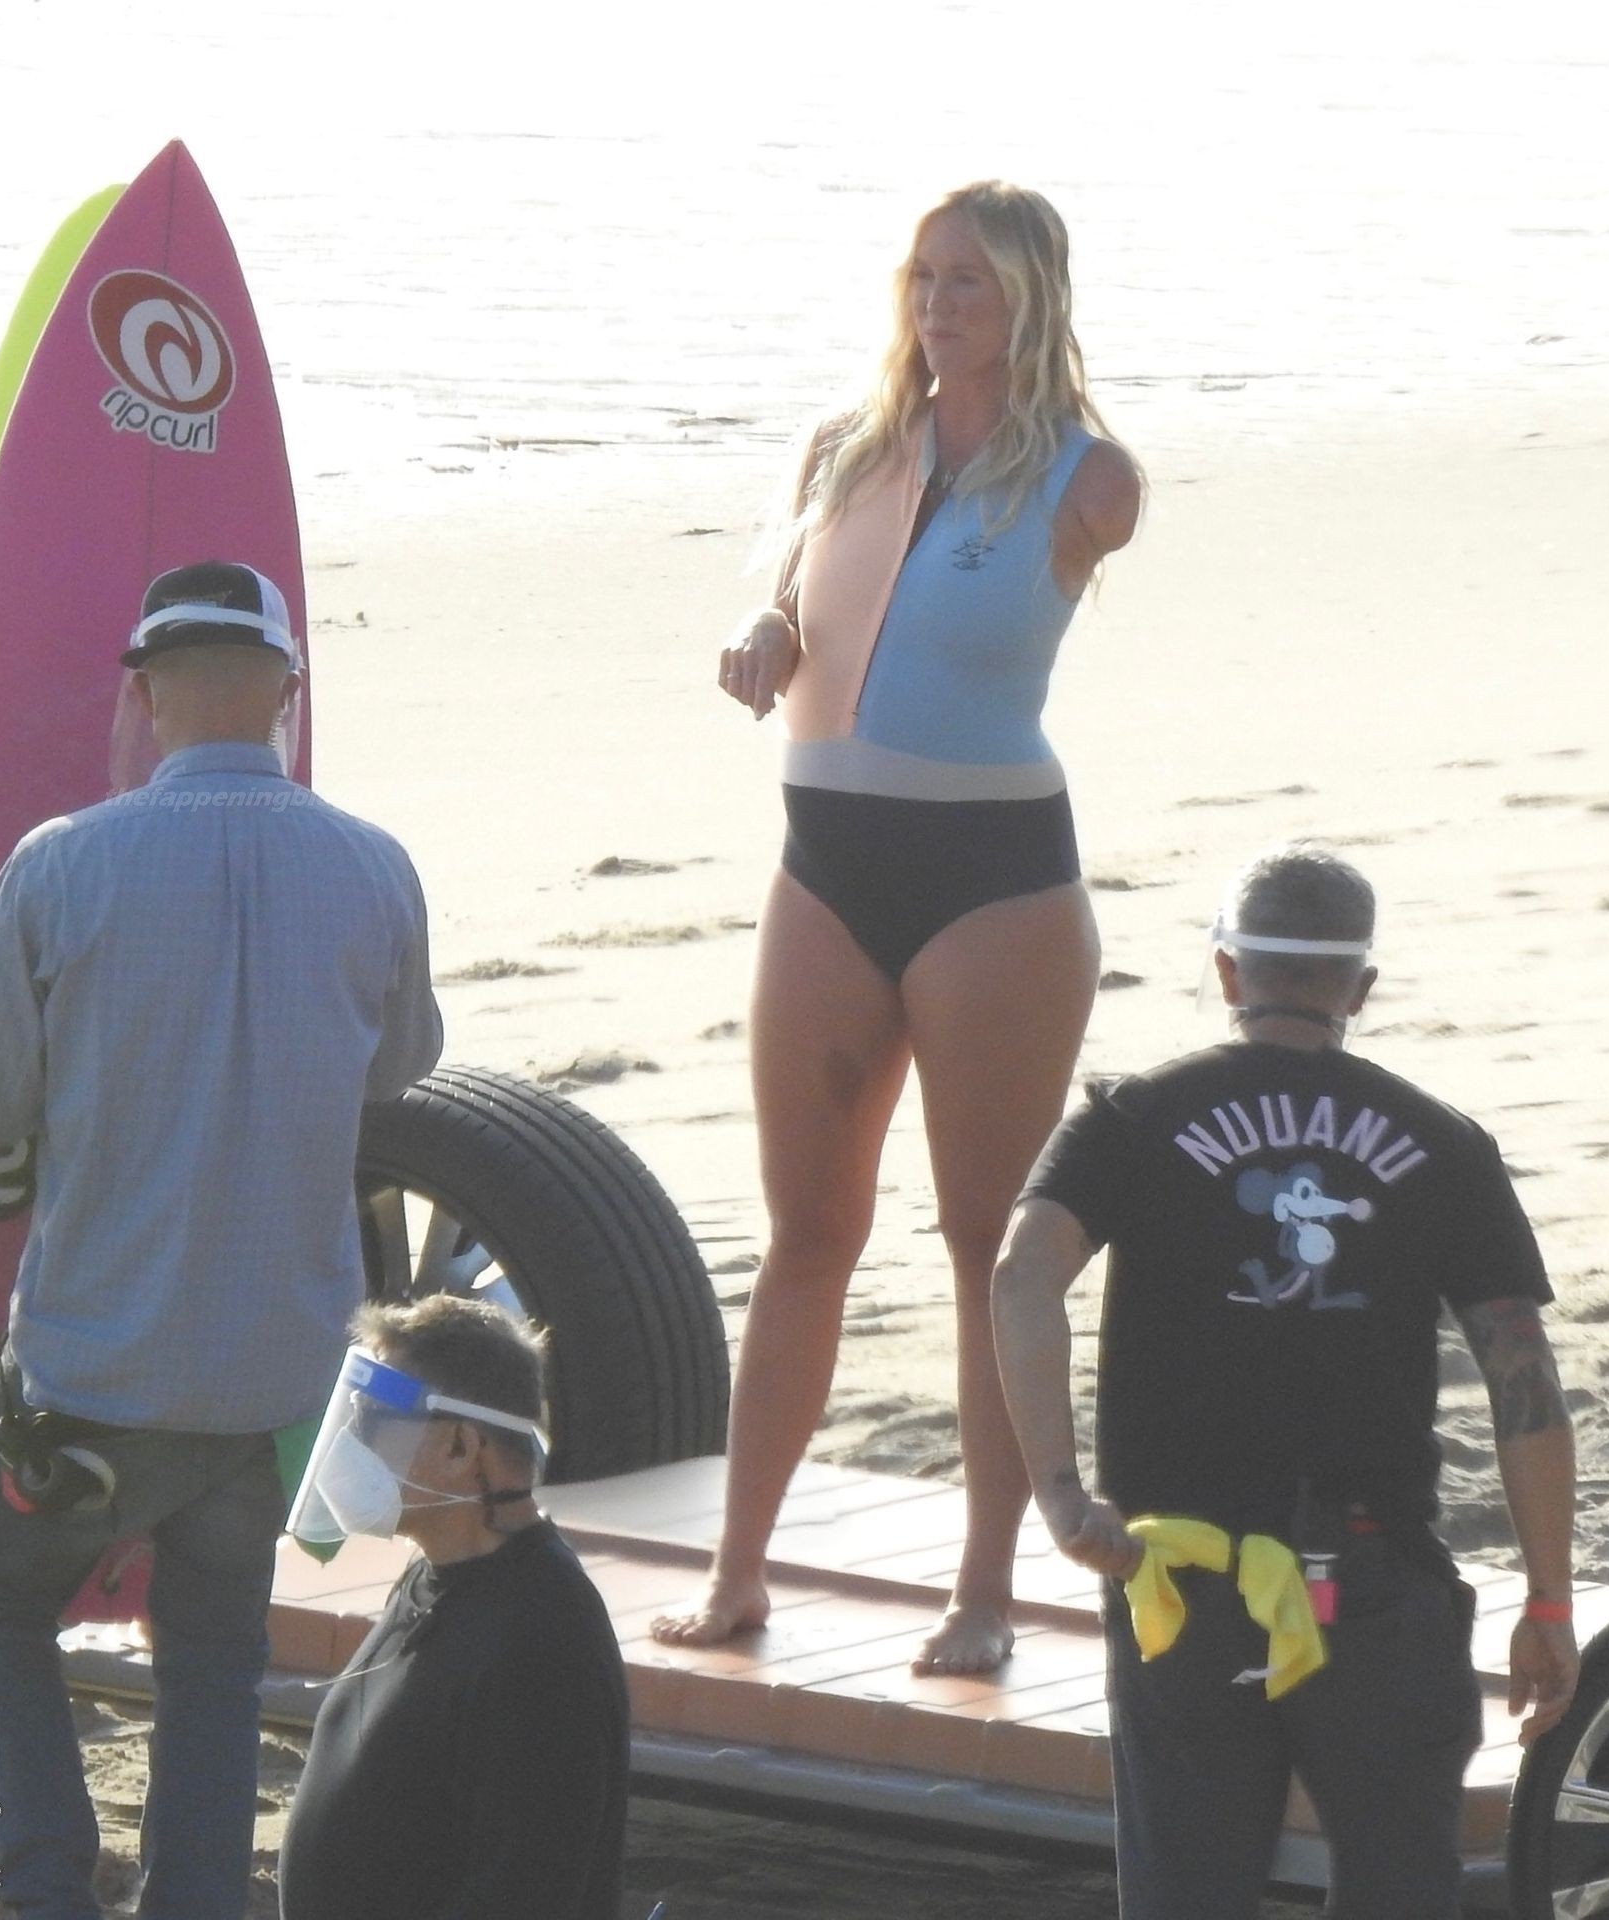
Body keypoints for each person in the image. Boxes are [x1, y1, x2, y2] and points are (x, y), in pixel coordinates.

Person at [652, 180, 1142, 1676]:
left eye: (969, 281)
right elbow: (804, 616)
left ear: (1030, 296)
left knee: (988, 1246)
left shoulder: (1088, 480)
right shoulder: (843, 449)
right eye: (923, 277)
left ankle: (981, 1592)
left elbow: (963, 623)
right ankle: (736, 1575)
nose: (936, 305)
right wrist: (761, 634)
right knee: (806, 1235)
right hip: (825, 864)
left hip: (995, 883)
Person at [0, 561, 443, 1920]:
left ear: (145, 695)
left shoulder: (62, 864)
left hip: (91, 1371)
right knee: (218, 1658)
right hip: (276, 1386)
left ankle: (27, 1877)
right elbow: (399, 1066)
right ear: (288, 693)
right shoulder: (373, 867)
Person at [992, 842, 1579, 1919]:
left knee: (1185, 1892)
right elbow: (1521, 1375)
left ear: (1226, 971)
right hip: (1371, 1579)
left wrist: (1061, 1496)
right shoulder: (1443, 1141)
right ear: (1360, 987)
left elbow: (1020, 1276)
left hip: (1180, 1575)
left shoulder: (1132, 1118)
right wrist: (1546, 1597)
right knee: (1400, 1888)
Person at [278, 1294, 630, 1920]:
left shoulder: (543, 1643)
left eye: (374, 1419)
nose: (350, 1441)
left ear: (461, 1448)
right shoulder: (435, 1574)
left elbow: (528, 1891)